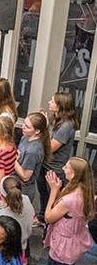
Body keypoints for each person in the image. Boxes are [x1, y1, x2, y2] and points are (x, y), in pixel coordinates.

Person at [42, 157, 94, 265]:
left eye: (67, 167)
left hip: (62, 250)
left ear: (74, 174)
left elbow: (48, 217)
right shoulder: (85, 192)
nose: (63, 168)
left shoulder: (69, 199)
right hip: (74, 244)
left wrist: (53, 190)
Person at [38, 92, 79, 222]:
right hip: (46, 165)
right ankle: (42, 218)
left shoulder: (66, 125)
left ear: (60, 106)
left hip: (54, 169)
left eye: (52, 101)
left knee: (53, 199)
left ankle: (49, 225)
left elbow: (50, 147)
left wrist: (42, 128)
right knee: (44, 195)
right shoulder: (55, 119)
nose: (49, 103)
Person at [15, 111, 50, 206]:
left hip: (23, 190)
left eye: (27, 127)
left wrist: (13, 159)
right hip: (16, 184)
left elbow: (25, 176)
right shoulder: (25, 137)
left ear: (37, 131)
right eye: (24, 124)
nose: (23, 127)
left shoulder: (33, 151)